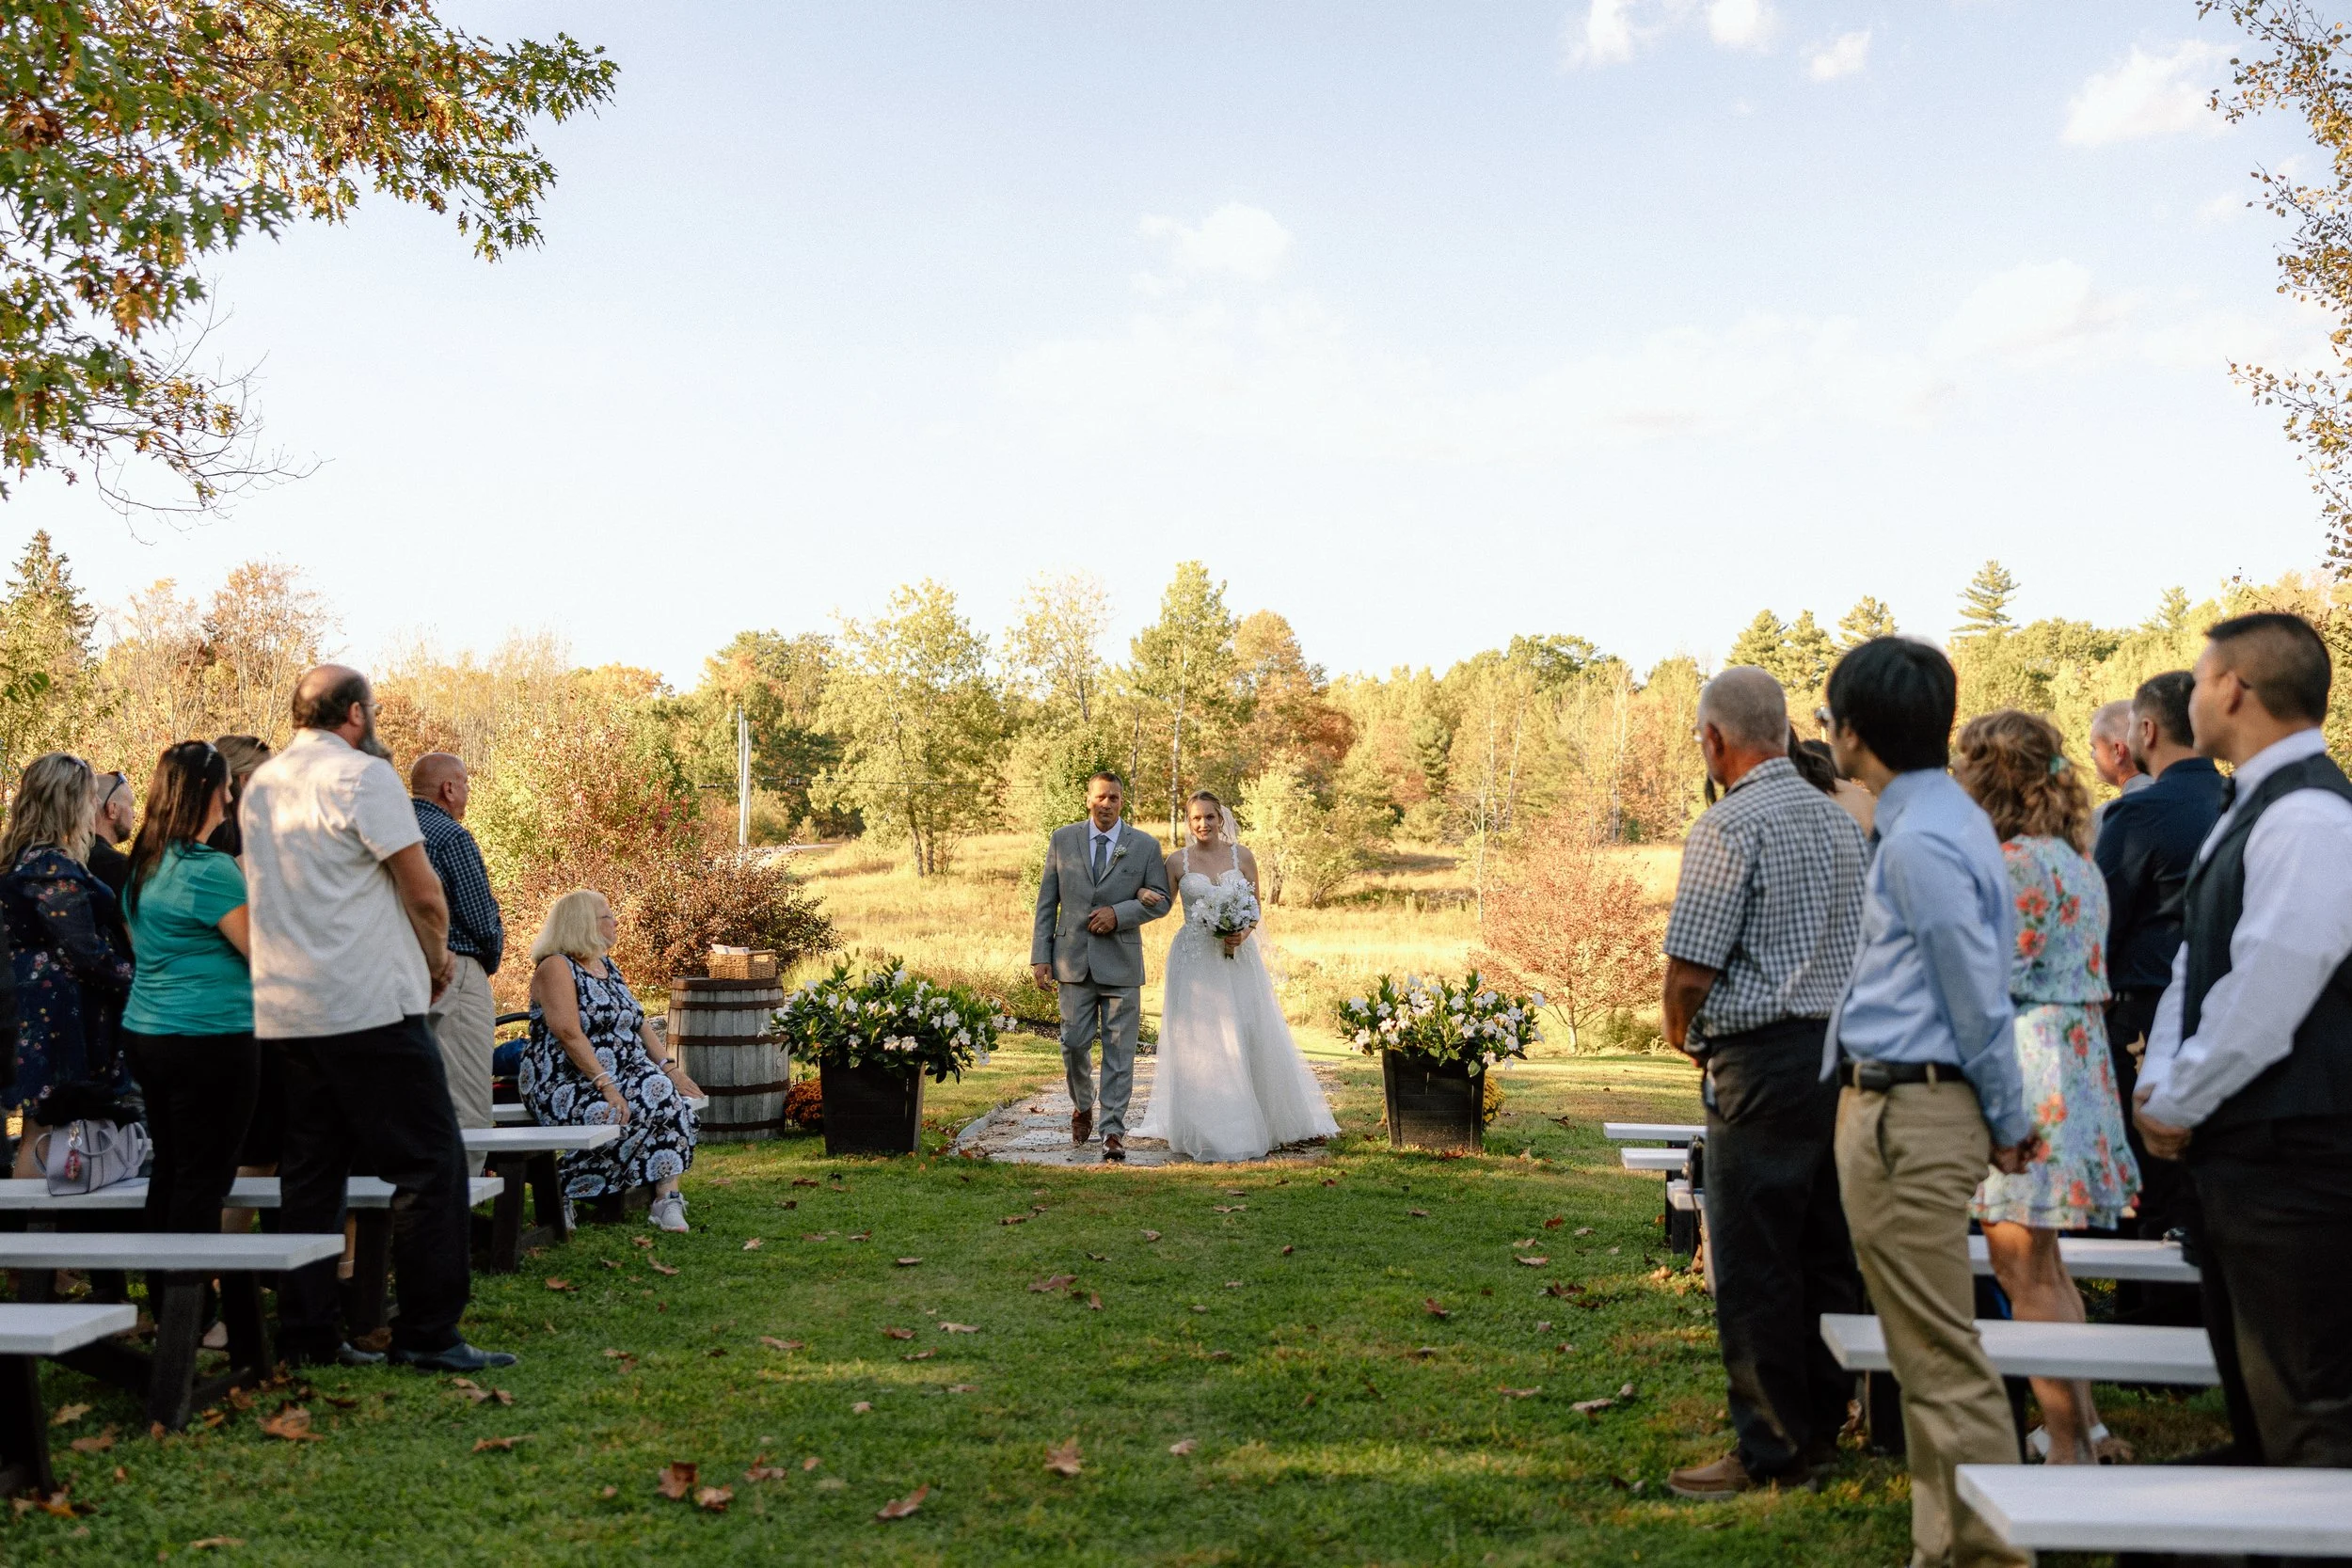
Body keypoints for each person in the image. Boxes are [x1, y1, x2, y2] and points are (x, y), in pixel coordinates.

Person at [1820, 638, 2038, 1568]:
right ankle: (1939, 1546)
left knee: (1941, 1357)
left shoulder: (1921, 839)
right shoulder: (1933, 820)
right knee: (1921, 1354)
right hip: (1901, 1103)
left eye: (1828, 718)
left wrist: (2009, 1117)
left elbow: (1974, 992)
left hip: (1913, 1110)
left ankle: (1991, 1555)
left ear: (1853, 732)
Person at [240, 664, 512, 1372]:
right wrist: (438, 960)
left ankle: (308, 1333)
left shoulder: (263, 786)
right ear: (356, 714)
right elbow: (424, 893)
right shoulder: (363, 776)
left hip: (289, 1009)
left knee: (311, 1175)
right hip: (366, 1004)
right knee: (431, 1162)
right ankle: (428, 1332)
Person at [2137, 611, 2352, 1473]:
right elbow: (2198, 956)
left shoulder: (2308, 816)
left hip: (2296, 1157)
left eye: (2198, 677)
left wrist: (2181, 1098)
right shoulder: (2252, 802)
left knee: (2310, 1413)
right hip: (2245, 1151)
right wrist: (2159, 1079)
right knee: (2261, 1405)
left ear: (2233, 688)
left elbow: (2270, 986)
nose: (2189, 694)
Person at [1661, 670, 1868, 1500]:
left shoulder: (1727, 825)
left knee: (1754, 1257)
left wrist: (1684, 1037)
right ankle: (1821, 1427)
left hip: (1760, 1059)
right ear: (1783, 730)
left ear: (1715, 740)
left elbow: (1689, 971)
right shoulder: (1842, 822)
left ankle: (1770, 1447)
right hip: (1840, 1054)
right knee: (1825, 1246)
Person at [1953, 709, 2140, 1465]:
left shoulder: (2013, 864)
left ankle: (2066, 1447)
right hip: (2076, 1063)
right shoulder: (2075, 857)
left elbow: (1993, 978)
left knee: (2019, 1266)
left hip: (2032, 1070)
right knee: (2047, 1264)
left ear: (1992, 774)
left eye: (1966, 765)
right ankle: (2085, 1428)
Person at [2091, 671, 2223, 1323]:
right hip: (2224, 1008)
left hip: (2143, 1013)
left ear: (2146, 730)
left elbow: (2102, 922)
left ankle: (2143, 1320)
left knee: (2145, 1174)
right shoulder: (2238, 801)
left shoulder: (2139, 813)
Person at [1133, 792, 1337, 1162]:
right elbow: (1163, 905)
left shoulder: (1241, 856)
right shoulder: (1176, 861)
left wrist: (1243, 932)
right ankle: (1204, 1126)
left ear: (1221, 818)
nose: (1203, 824)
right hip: (1194, 959)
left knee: (1245, 1031)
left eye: (1209, 817)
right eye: (1196, 818)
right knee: (1200, 1040)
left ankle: (1256, 1121)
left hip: (1238, 956)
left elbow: (1255, 907)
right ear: (1188, 821)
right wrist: (1144, 892)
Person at [119, 741, 257, 1233]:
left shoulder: (145, 864)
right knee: (205, 1175)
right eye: (227, 786)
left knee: (172, 1168)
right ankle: (190, 1280)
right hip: (210, 1035)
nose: (231, 797)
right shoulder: (209, 869)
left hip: (149, 1031)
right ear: (205, 790)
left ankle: (166, 1279)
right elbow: (263, 955)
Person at [520, 890, 702, 1229]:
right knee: (616, 1115)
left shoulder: (606, 965)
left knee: (666, 1097)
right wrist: (607, 1085)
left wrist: (670, 1069)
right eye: (608, 916)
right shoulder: (556, 967)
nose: (616, 922)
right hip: (569, 1079)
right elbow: (568, 1033)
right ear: (583, 923)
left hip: (623, 1073)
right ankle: (561, 1188)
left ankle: (666, 1198)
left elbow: (638, 1021)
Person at [1, 752, 136, 1178]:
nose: (93, 806)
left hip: (35, 1003)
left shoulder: (21, 858)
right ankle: (30, 1218)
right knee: (44, 1126)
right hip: (54, 1012)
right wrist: (142, 981)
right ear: (68, 801)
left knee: (44, 1126)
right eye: (88, 797)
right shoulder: (49, 866)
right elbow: (83, 950)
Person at [1031, 771, 1173, 1163]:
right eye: (1100, 797)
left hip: (1121, 964)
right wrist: (1041, 956)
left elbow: (1161, 900)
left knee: (1120, 1052)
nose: (1106, 804)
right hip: (1071, 961)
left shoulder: (1144, 845)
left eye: (1114, 798)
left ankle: (1113, 1130)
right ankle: (1082, 1103)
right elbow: (1047, 902)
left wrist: (1119, 914)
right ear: (1088, 799)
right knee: (1073, 1043)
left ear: (1122, 801)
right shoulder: (1063, 839)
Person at [410, 752, 504, 1134]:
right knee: (467, 1101)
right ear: (448, 789)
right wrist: (489, 959)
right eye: (465, 783)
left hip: (397, 972)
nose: (467, 792)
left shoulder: (391, 832)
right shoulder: (450, 836)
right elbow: (481, 918)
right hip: (454, 972)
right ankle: (465, 1175)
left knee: (416, 1097)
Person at [2085, 699, 2148, 841]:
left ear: (2118, 751)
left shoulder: (2106, 819)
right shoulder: (2185, 799)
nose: (2091, 755)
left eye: (2094, 747)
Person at [86, 770, 134, 897]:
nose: (134, 815)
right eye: (130, 805)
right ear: (112, 809)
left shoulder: (65, 855)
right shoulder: (119, 866)